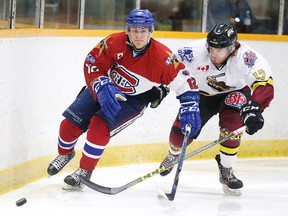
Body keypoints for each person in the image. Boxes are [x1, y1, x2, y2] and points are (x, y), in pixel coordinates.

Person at [47, 8, 201, 189]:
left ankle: (84, 171)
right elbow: (92, 62)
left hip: (132, 101)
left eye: (143, 31)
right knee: (68, 126)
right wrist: (100, 84)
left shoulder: (163, 58)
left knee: (98, 127)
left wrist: (190, 105)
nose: (138, 36)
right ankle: (65, 154)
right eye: (134, 30)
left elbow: (185, 83)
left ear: (151, 31)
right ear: (127, 30)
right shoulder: (113, 41)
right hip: (104, 87)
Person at [159, 23, 274, 195]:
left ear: (231, 48)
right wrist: (160, 87)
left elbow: (264, 84)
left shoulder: (246, 57)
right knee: (180, 133)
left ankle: (226, 169)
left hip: (234, 92)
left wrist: (255, 108)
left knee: (232, 128)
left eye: (218, 50)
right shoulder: (194, 52)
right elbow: (168, 68)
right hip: (201, 94)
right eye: (210, 48)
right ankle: (173, 153)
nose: (212, 53)